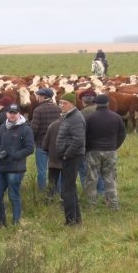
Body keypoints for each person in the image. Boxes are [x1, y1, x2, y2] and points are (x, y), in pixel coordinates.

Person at [0, 104, 34, 227]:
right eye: (10, 112)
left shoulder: (25, 129)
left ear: (19, 114)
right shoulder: (3, 127)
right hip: (1, 167)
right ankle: (1, 220)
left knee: (13, 195)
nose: (12, 115)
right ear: (6, 114)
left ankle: (16, 221)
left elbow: (30, 148)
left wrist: (15, 155)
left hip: (16, 168)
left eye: (15, 113)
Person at [84, 94, 126, 209]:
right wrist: (114, 146)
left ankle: (91, 205)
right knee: (110, 178)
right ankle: (113, 204)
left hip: (93, 151)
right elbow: (122, 134)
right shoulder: (116, 117)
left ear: (95, 104)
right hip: (110, 151)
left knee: (91, 178)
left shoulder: (90, 118)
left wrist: (87, 148)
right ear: (108, 103)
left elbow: (84, 135)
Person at [56, 92, 85, 226]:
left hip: (73, 157)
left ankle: (70, 221)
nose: (61, 105)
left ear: (72, 103)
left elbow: (78, 139)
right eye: (60, 103)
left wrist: (67, 154)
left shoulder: (75, 118)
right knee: (70, 188)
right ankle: (76, 218)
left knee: (67, 190)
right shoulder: (67, 116)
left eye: (64, 103)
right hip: (69, 155)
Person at [31, 88, 61, 191]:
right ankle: (58, 190)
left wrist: (31, 141)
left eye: (38, 96)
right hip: (56, 144)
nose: (37, 98)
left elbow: (34, 129)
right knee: (58, 168)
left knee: (42, 170)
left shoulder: (38, 110)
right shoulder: (59, 109)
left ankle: (43, 190)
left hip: (41, 144)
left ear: (43, 97)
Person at [42, 119, 62, 201]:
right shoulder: (72, 125)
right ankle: (64, 201)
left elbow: (44, 145)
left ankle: (49, 199)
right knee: (67, 183)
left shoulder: (53, 125)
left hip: (53, 159)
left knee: (52, 182)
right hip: (67, 160)